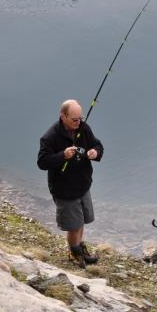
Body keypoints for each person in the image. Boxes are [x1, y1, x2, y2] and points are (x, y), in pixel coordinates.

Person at [37, 99, 104, 268]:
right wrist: (62, 156)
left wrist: (95, 152)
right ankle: (74, 252)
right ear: (63, 117)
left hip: (83, 185)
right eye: (74, 119)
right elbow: (42, 162)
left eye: (80, 118)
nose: (78, 122)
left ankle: (79, 248)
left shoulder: (83, 128)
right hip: (64, 190)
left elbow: (97, 144)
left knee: (82, 221)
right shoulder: (50, 137)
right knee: (74, 225)